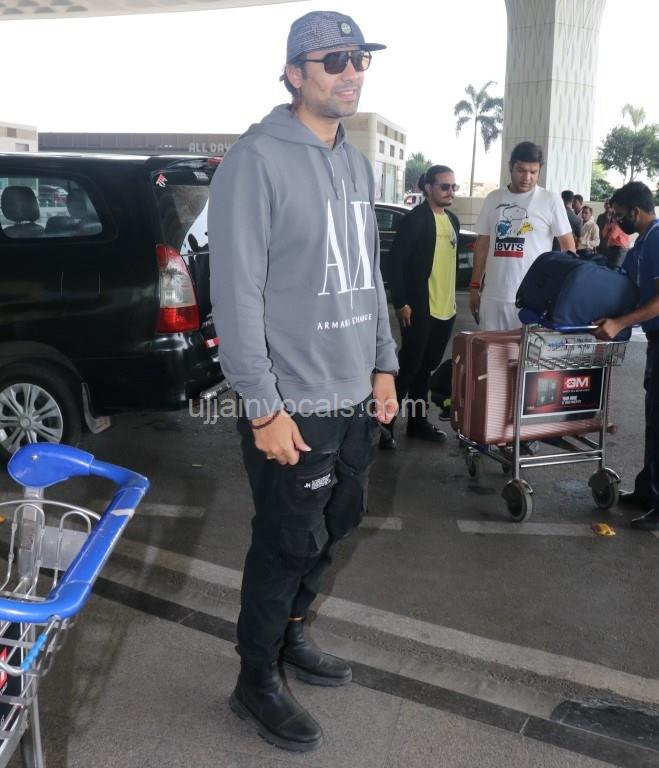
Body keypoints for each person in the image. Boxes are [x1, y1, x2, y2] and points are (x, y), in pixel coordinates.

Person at [208, 10, 398, 752]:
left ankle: (290, 636)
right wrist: (263, 409)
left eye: (359, 59)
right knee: (285, 542)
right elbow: (236, 297)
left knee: (337, 524)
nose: (351, 72)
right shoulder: (255, 161)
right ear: (294, 73)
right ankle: (254, 679)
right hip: (292, 402)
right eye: (333, 60)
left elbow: (368, 275)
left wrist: (384, 364)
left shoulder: (355, 163)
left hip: (355, 394)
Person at [380, 165, 460, 449]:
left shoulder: (452, 221)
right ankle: (384, 425)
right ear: (428, 188)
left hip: (446, 308)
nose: (450, 192)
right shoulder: (415, 220)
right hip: (419, 307)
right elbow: (395, 263)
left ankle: (417, 422)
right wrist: (401, 302)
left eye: (453, 187)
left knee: (426, 368)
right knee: (409, 367)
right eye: (444, 186)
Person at [594, 181, 659, 530]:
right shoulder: (643, 243)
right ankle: (648, 491)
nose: (617, 222)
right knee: (653, 418)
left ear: (635, 211)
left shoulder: (658, 239)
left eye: (620, 216)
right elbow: (624, 285)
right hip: (655, 339)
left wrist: (620, 323)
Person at [469, 141, 575, 330]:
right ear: (510, 166)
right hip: (493, 297)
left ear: (539, 170)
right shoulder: (493, 198)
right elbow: (483, 244)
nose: (527, 177)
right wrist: (475, 286)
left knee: (525, 350)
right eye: (521, 170)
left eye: (533, 172)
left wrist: (563, 291)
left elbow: (568, 247)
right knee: (490, 349)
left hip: (532, 300)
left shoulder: (550, 200)